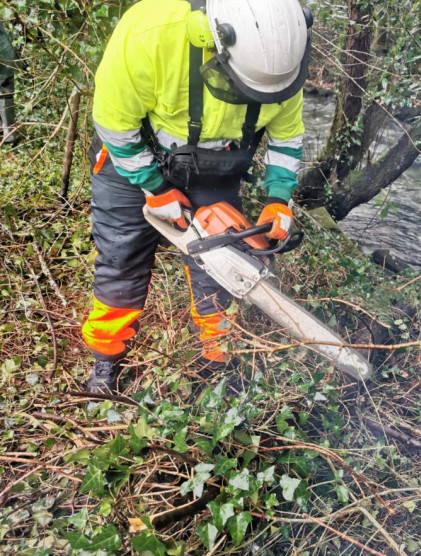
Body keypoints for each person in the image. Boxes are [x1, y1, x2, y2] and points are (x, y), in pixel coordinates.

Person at [82, 0, 311, 393]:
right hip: (134, 158)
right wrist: (154, 188)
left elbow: (287, 138)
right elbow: (114, 124)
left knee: (224, 266)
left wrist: (278, 198)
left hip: (216, 165)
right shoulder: (149, 33)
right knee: (122, 257)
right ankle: (106, 360)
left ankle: (216, 361)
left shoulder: (281, 55)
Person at [0, 23, 19, 145]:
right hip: (6, 57)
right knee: (4, 93)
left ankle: (9, 134)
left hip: (3, 59)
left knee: (4, 94)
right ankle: (5, 129)